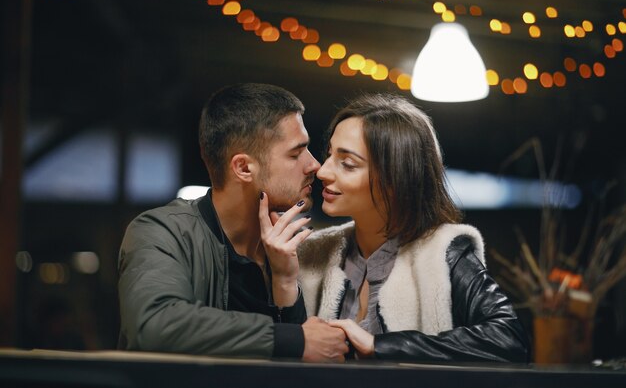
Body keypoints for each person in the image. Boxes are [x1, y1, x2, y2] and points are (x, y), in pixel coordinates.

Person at [118, 83, 348, 362]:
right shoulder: (163, 232)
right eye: (295, 153)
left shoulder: (286, 248)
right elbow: (154, 325)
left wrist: (286, 282)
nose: (315, 166)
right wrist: (291, 338)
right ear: (243, 167)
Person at [295, 94, 530, 362]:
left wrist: (378, 345)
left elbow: (509, 338)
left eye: (347, 164)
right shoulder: (312, 251)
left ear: (396, 178)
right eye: (329, 155)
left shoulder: (444, 253)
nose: (323, 172)